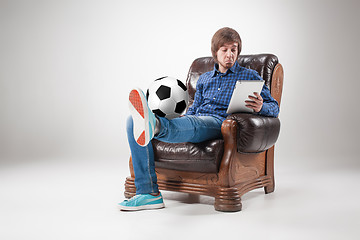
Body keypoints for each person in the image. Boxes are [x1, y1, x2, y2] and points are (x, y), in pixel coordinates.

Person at [118, 27, 279, 211]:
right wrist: (180, 117)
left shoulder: (250, 76)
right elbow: (194, 109)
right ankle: (148, 193)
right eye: (224, 50)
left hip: (221, 123)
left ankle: (155, 126)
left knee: (197, 123)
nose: (230, 55)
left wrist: (261, 107)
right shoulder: (204, 79)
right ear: (215, 53)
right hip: (197, 119)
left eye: (233, 49)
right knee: (132, 122)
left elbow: (274, 108)